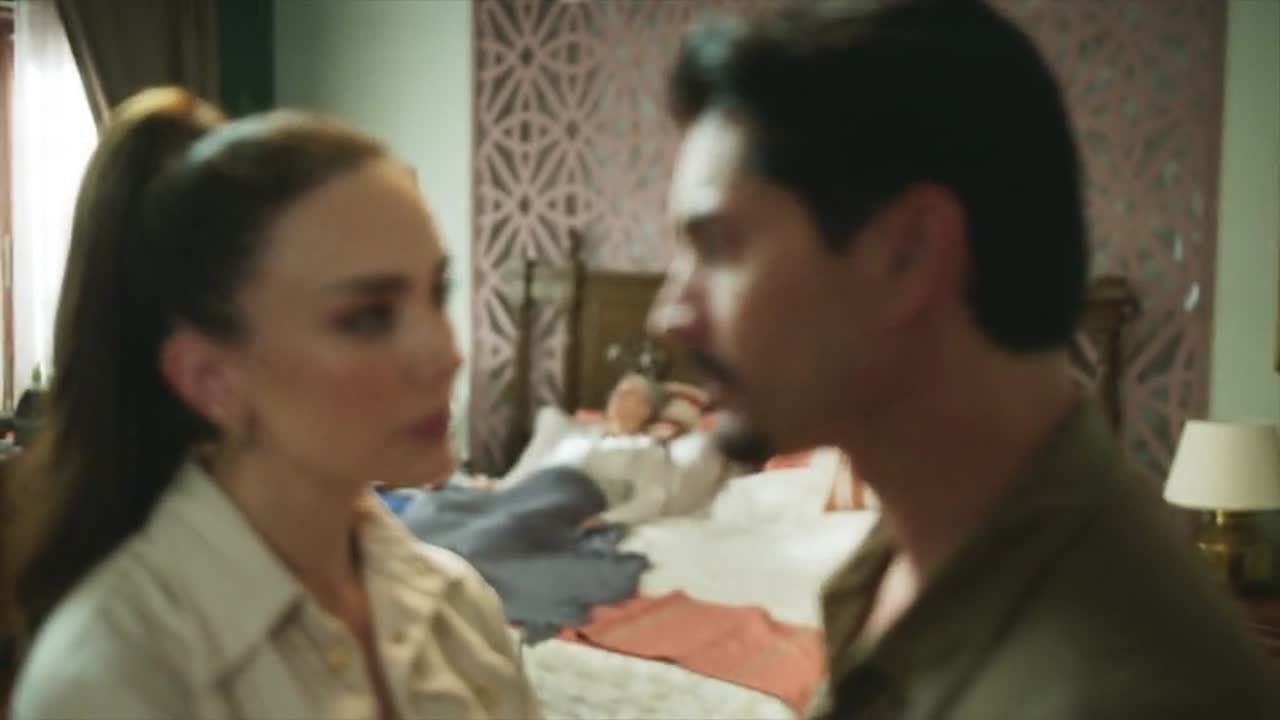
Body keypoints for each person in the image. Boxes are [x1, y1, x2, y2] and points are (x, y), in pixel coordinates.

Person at [648, 1, 1278, 718]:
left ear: (910, 255)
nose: (668, 314)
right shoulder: (906, 559)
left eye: (717, 246)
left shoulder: (1127, 692)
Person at [4, 87, 541, 719]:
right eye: (368, 317)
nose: (447, 355)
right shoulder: (114, 680)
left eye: (436, 294)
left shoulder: (462, 609)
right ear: (211, 379)